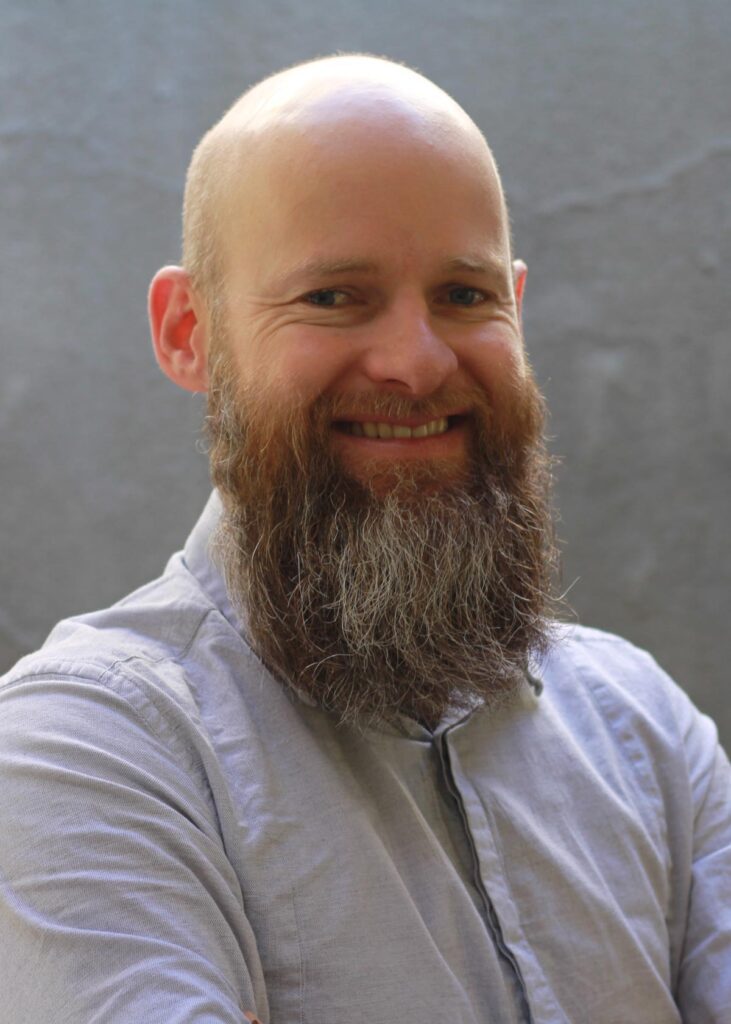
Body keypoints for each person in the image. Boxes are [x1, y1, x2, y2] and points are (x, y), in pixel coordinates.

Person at [0, 54, 728, 1024]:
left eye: (464, 295)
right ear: (188, 332)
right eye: (334, 297)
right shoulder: (86, 753)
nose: (416, 364)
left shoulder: (646, 734)